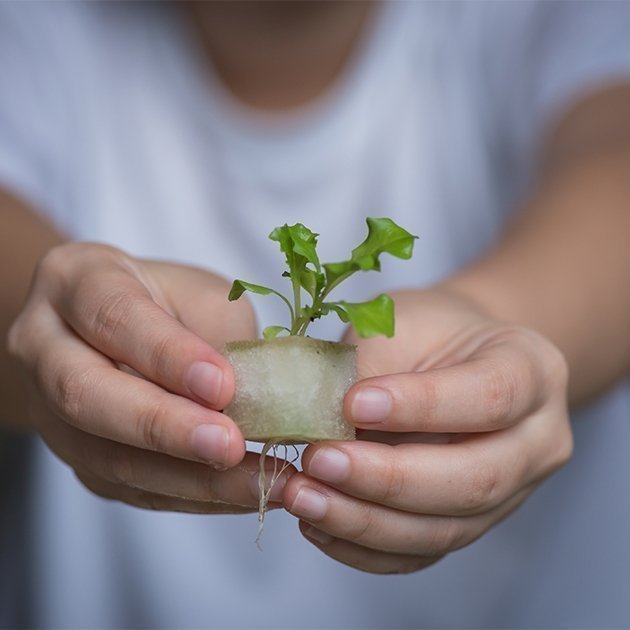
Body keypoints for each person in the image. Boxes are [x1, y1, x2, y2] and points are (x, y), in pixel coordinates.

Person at [1, 1, 629, 627]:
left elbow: (613, 166)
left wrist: (495, 318)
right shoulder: (37, 29)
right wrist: (70, 315)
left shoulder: (533, 18)